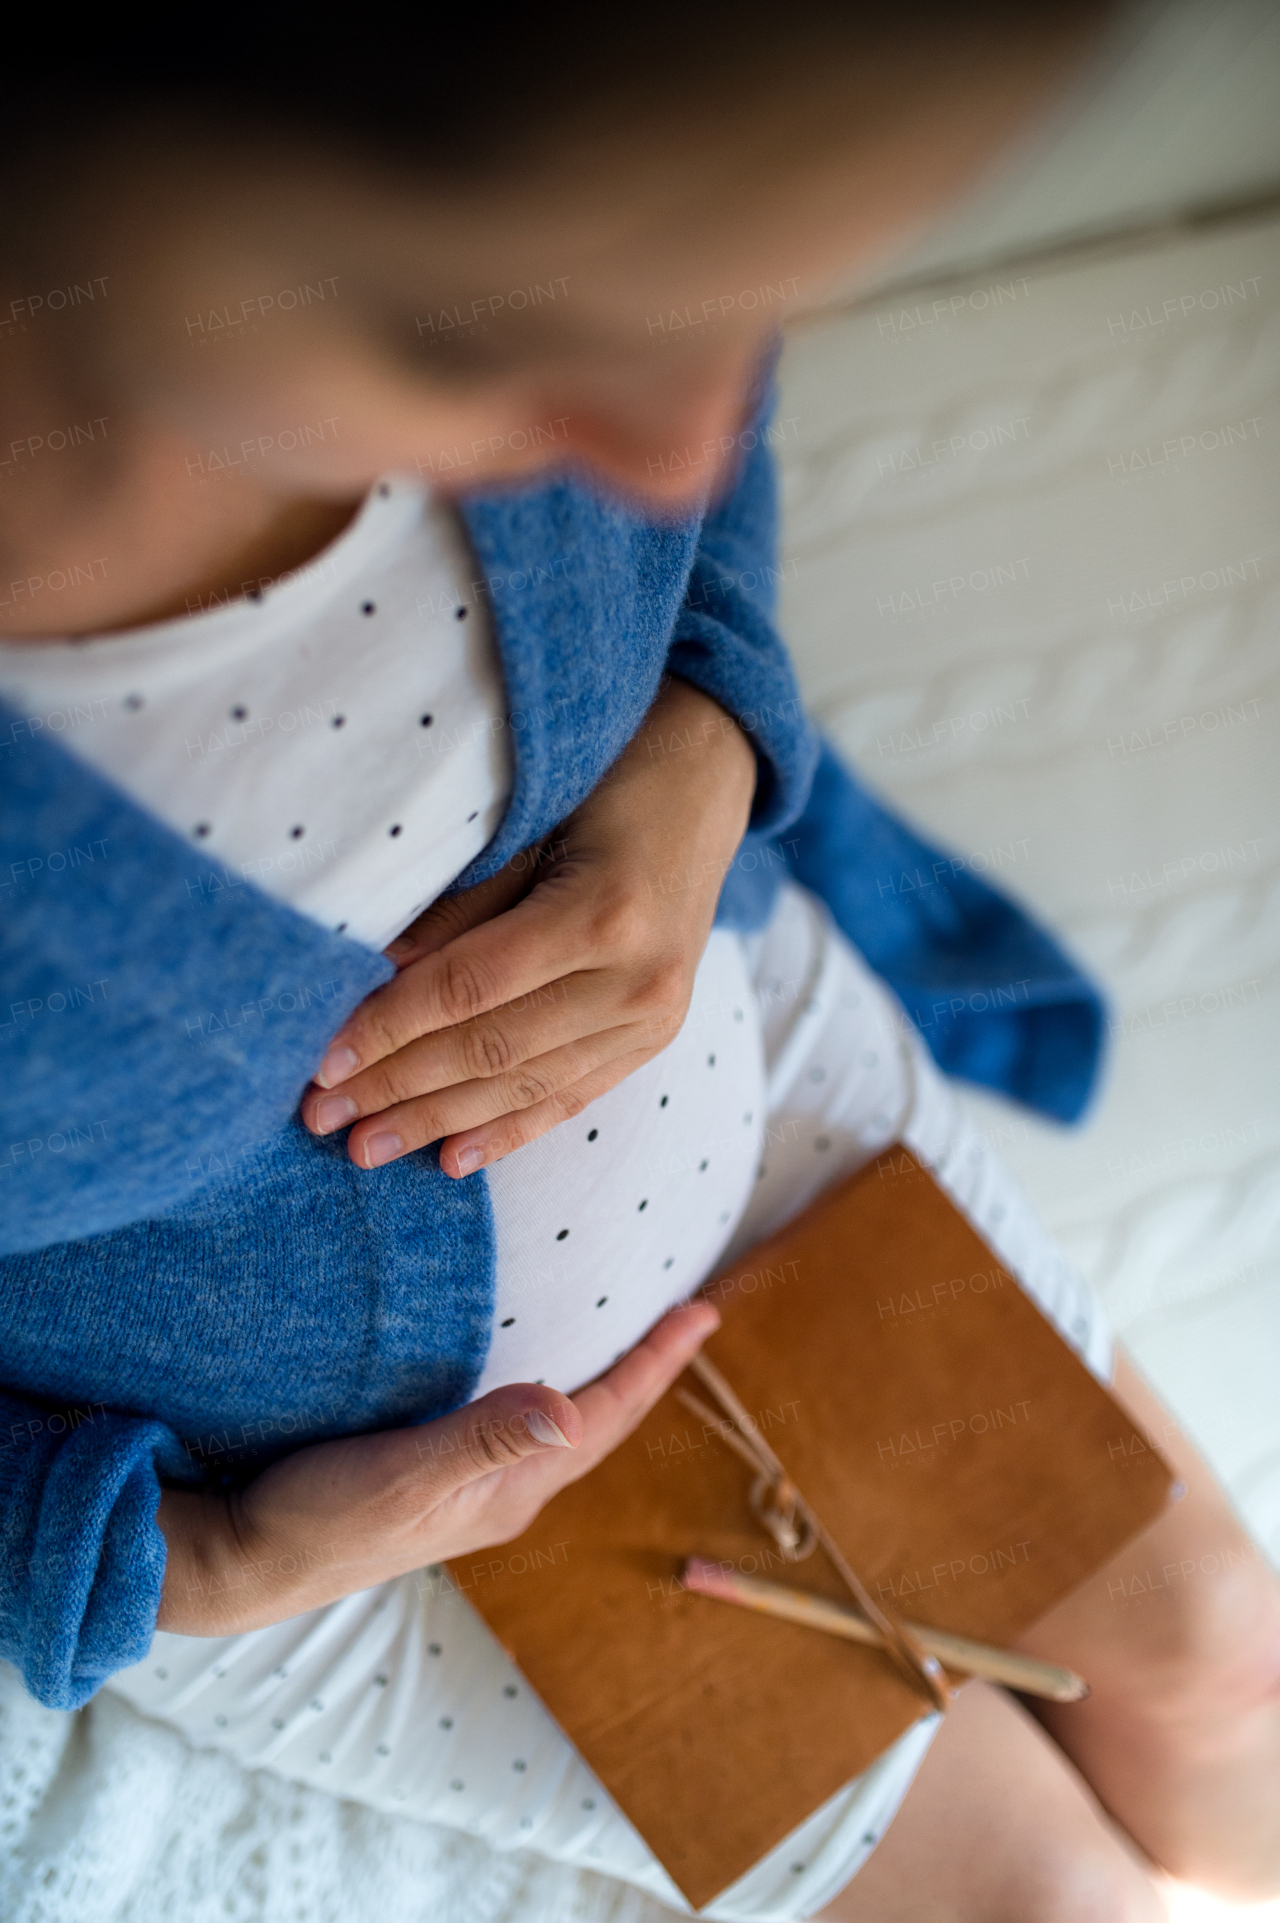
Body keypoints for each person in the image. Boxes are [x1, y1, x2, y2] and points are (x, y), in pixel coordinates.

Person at [1, 12, 1277, 1919]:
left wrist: (712, 739)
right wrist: (212, 1561)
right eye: (479, 338)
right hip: (329, 1513)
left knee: (1226, 1669)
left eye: (741, 306)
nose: (674, 451)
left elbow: (699, 467)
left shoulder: (607, 210)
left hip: (749, 1084)